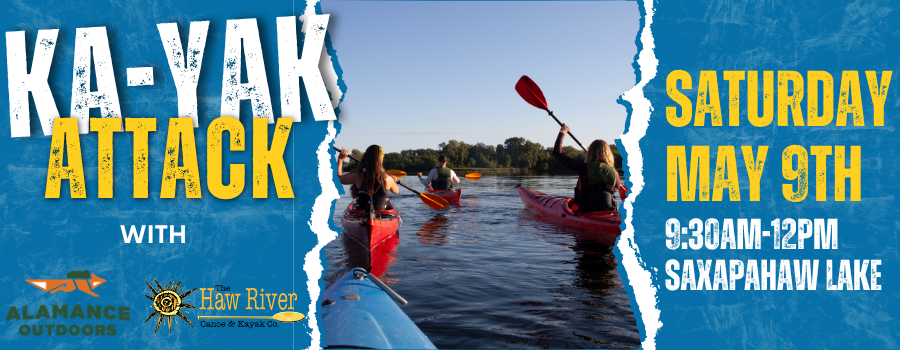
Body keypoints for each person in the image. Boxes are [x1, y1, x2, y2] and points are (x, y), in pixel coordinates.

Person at [553, 124, 621, 213]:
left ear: (590, 153)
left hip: (587, 212)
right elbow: (618, 186)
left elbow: (557, 153)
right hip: (609, 212)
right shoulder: (614, 172)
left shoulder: (583, 168)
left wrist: (562, 132)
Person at [336, 145, 400, 211]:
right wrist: (394, 180)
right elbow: (396, 191)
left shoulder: (358, 175)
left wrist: (340, 160)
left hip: (361, 215)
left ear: (365, 157)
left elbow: (338, 179)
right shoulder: (387, 178)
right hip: (382, 216)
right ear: (381, 159)